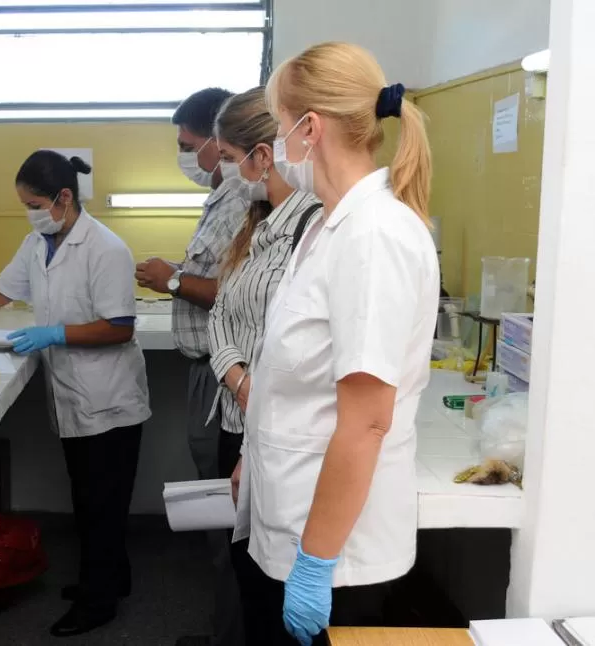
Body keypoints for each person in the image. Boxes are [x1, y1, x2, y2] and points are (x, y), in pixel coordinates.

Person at [231, 42, 439, 646]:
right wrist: (256, 453)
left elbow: (367, 422)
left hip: (336, 558)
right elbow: (300, 370)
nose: (279, 144)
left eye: (279, 124)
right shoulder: (327, 223)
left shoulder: (374, 235)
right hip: (292, 514)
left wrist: (317, 563)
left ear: (310, 128)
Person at [0, 150, 151, 638]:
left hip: (110, 403)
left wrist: (54, 333)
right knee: (87, 500)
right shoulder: (38, 241)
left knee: (102, 507)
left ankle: (98, 604)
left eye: (35, 203)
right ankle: (108, 581)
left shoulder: (106, 249)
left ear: (63, 197)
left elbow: (119, 328)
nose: (30, 213)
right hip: (72, 398)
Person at [136, 87, 246, 646]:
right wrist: (178, 273)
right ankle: (225, 626)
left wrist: (174, 280)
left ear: (218, 142)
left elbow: (232, 290)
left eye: (188, 145)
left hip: (224, 374)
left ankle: (230, 633)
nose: (183, 156)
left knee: (224, 511)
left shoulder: (243, 202)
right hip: (210, 372)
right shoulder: (222, 197)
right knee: (217, 506)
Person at [207, 87, 321, 487]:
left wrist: (252, 396)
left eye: (228, 158)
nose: (223, 171)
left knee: (259, 546)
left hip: (275, 430)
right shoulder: (257, 221)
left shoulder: (312, 228)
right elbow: (220, 311)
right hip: (237, 414)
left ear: (263, 156)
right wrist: (236, 378)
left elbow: (295, 343)